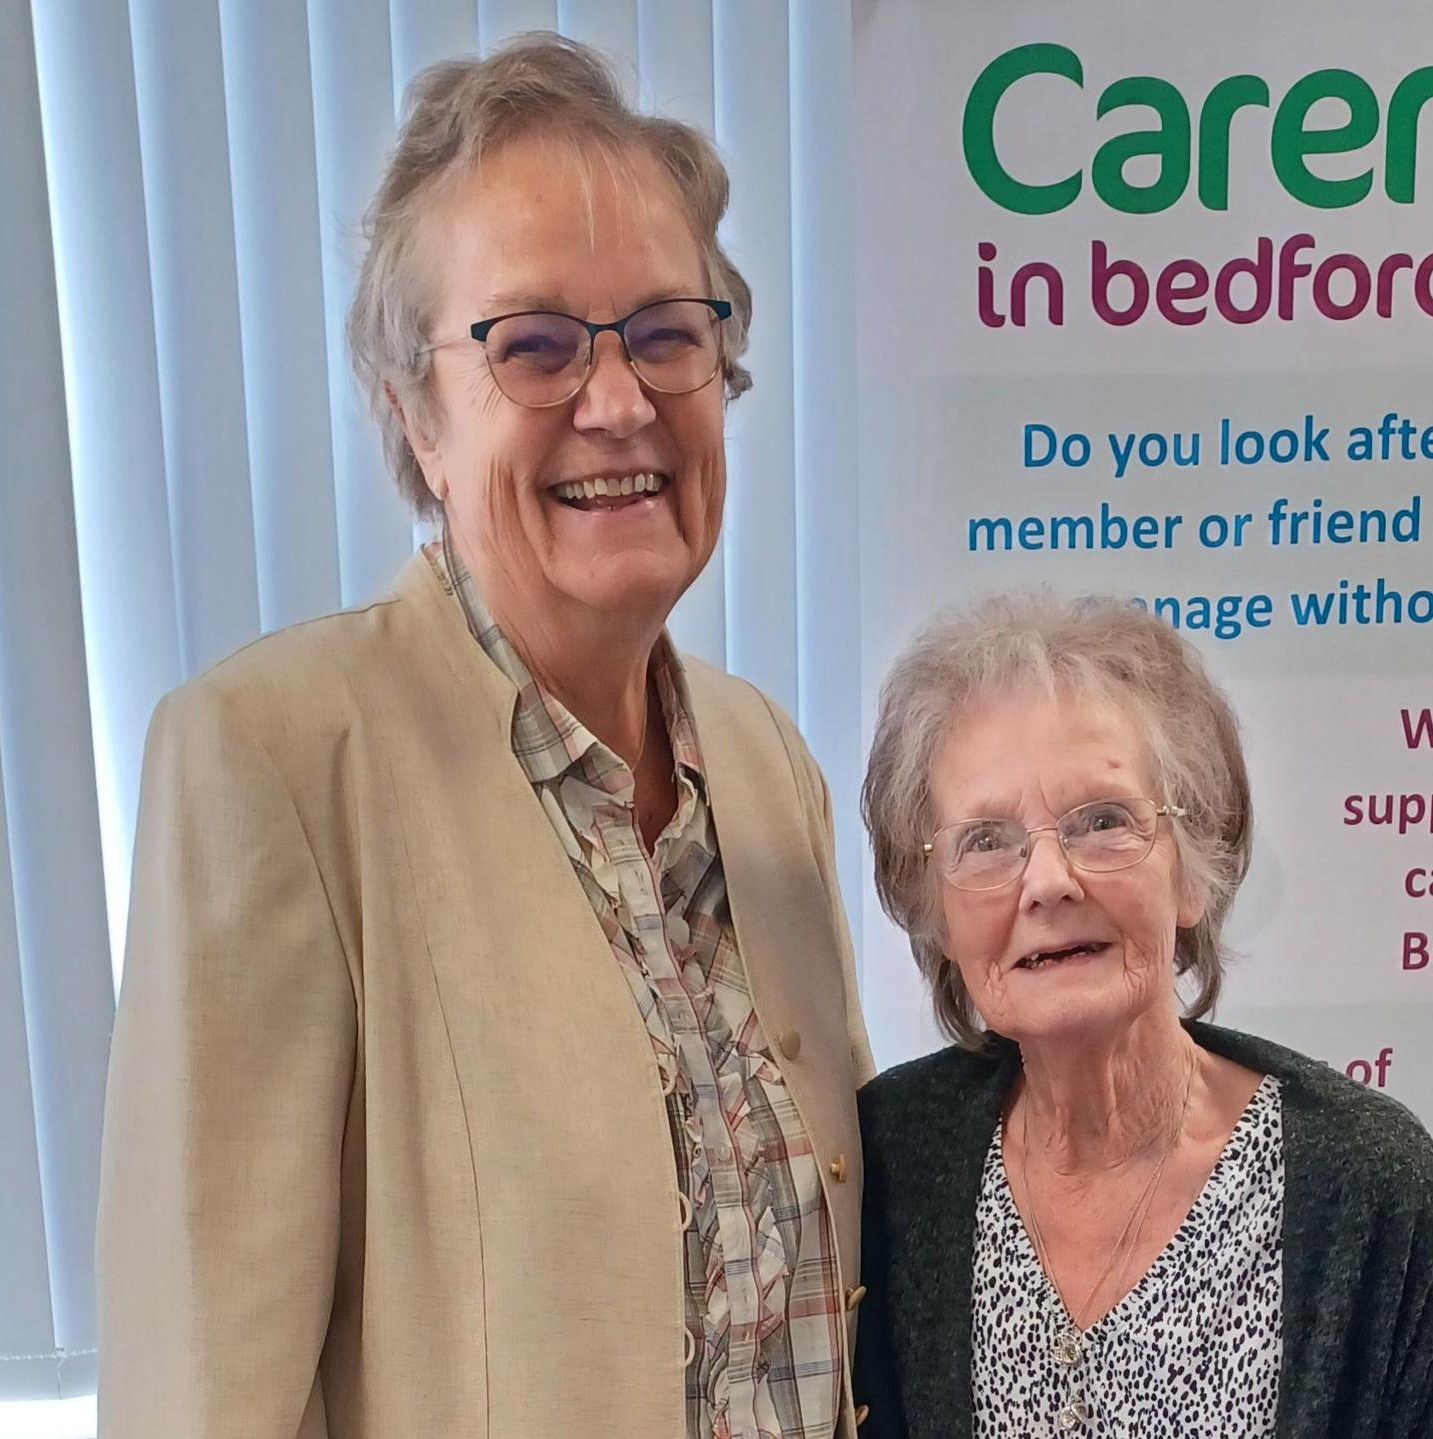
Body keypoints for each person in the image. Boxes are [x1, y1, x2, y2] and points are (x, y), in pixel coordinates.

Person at [97, 35, 871, 1438]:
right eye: (533, 344)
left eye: (667, 331)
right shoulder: (274, 762)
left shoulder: (770, 773)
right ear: (416, 415)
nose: (621, 399)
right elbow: (202, 1396)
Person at [851, 592, 1433, 1437]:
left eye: (1102, 822)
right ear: (936, 914)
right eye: (986, 840)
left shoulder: (1366, 1185)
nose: (1049, 880)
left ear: (1194, 868)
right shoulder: (889, 1162)